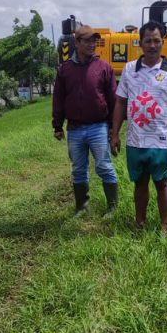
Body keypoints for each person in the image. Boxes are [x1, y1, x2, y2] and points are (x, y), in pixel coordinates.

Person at [110, 20, 167, 235]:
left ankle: (164, 225)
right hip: (135, 140)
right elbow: (120, 103)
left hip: (160, 141)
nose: (152, 45)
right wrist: (115, 133)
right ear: (140, 43)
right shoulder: (129, 69)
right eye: (147, 41)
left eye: (156, 41)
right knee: (140, 183)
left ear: (162, 42)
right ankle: (140, 222)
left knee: (162, 182)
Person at [52, 25, 118, 217]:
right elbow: (58, 98)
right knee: (79, 170)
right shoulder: (65, 69)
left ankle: (112, 207)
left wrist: (114, 128)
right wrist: (57, 125)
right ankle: (82, 206)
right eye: (87, 40)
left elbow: (113, 100)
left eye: (93, 41)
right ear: (77, 42)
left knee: (104, 167)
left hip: (99, 126)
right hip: (74, 129)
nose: (92, 44)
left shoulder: (104, 67)